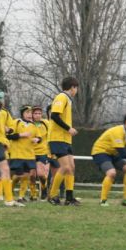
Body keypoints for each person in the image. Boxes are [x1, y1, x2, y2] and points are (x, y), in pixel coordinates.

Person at [47, 77, 80, 205]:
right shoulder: (61, 97)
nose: (76, 91)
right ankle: (52, 195)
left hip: (65, 139)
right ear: (72, 87)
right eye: (76, 88)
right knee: (65, 167)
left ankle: (69, 198)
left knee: (71, 167)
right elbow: (54, 116)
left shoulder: (68, 100)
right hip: (57, 138)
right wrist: (69, 128)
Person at [7, 105, 38, 205]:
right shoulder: (16, 122)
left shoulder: (33, 125)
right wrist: (21, 135)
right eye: (27, 113)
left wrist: (37, 139)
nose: (30, 115)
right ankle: (9, 192)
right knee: (18, 175)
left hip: (29, 155)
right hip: (17, 154)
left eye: (30, 113)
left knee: (26, 175)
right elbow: (9, 136)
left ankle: (21, 197)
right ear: (22, 114)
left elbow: (39, 137)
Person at [31, 105, 51, 201]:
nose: (38, 115)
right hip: (30, 152)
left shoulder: (46, 123)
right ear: (32, 114)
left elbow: (51, 135)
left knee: (41, 174)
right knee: (31, 175)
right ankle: (33, 194)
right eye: (35, 113)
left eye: (39, 113)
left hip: (42, 152)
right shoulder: (29, 124)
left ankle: (44, 188)